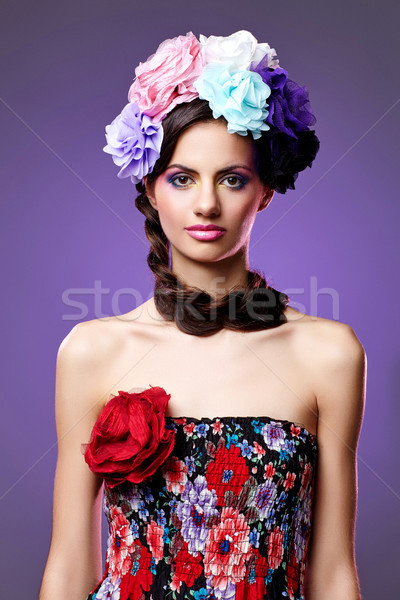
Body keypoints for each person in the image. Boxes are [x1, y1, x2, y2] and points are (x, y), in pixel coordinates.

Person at [39, 30, 366, 600]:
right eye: (182, 177)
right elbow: (68, 566)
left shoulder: (329, 353)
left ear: (264, 190)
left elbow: (334, 570)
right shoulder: (92, 351)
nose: (207, 203)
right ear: (150, 186)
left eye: (233, 178)